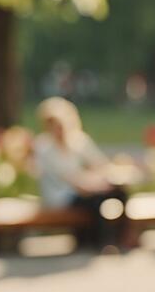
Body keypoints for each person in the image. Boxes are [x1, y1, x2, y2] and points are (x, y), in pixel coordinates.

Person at [32, 97, 133, 252]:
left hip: (83, 188)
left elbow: (99, 163)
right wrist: (96, 184)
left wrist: (109, 175)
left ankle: (123, 237)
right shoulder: (44, 148)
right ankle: (102, 242)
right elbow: (69, 178)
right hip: (61, 196)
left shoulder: (77, 141)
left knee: (119, 192)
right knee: (96, 201)